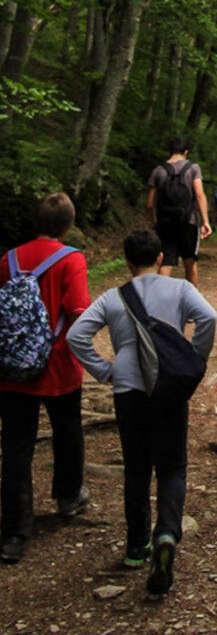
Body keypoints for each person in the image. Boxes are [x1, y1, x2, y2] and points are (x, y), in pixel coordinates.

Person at [66, 229, 217, 594]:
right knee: (173, 466)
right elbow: (209, 318)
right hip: (169, 387)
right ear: (161, 259)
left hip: (128, 389)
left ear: (128, 263)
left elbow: (76, 336)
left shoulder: (114, 297)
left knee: (136, 467)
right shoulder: (180, 289)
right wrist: (194, 357)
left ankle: (136, 547)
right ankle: (166, 533)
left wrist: (104, 370)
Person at [0, 192, 91, 564]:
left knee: (16, 445)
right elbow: (77, 313)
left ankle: (14, 532)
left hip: (12, 367)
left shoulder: (7, 260)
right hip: (58, 364)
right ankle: (68, 496)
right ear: (67, 226)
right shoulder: (71, 260)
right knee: (67, 429)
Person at [146, 136, 212, 287]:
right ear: (186, 152)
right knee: (190, 263)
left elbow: (149, 204)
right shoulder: (193, 168)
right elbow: (200, 195)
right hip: (188, 221)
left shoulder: (158, 170)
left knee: (165, 262)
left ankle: (160, 303)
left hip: (165, 223)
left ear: (170, 151)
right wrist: (206, 222)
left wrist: (153, 223)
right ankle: (192, 304)